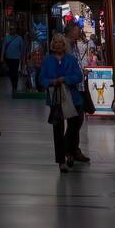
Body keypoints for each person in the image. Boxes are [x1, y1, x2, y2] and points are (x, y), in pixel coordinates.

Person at [40, 32, 83, 173]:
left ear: (64, 45)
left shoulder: (71, 59)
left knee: (74, 126)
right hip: (56, 98)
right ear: (53, 44)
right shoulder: (48, 60)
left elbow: (78, 76)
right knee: (57, 130)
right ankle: (61, 161)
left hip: (72, 97)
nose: (58, 44)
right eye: (56, 42)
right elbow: (42, 79)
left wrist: (66, 79)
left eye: (60, 42)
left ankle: (68, 151)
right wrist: (51, 82)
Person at [65, 22, 91, 163]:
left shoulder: (74, 44)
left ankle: (74, 149)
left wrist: (82, 71)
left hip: (79, 86)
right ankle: (69, 149)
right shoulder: (66, 45)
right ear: (70, 31)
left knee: (77, 120)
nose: (79, 32)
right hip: (72, 89)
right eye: (77, 30)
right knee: (74, 121)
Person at [0, 26, 24, 94]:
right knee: (10, 72)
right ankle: (13, 84)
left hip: (16, 58)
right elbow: (3, 48)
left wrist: (22, 58)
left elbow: (21, 49)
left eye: (13, 29)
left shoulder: (19, 38)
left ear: (15, 30)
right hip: (8, 58)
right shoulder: (6, 38)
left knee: (15, 72)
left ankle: (15, 87)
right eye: (10, 29)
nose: (11, 30)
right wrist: (1, 57)